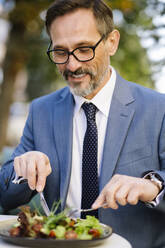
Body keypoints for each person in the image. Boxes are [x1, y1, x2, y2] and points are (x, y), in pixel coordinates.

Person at [0, 0, 165, 247]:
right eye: (60, 52)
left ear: (112, 42)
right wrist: (21, 172)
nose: (72, 65)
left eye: (84, 48)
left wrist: (153, 186)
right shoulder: (41, 110)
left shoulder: (158, 108)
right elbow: (6, 196)